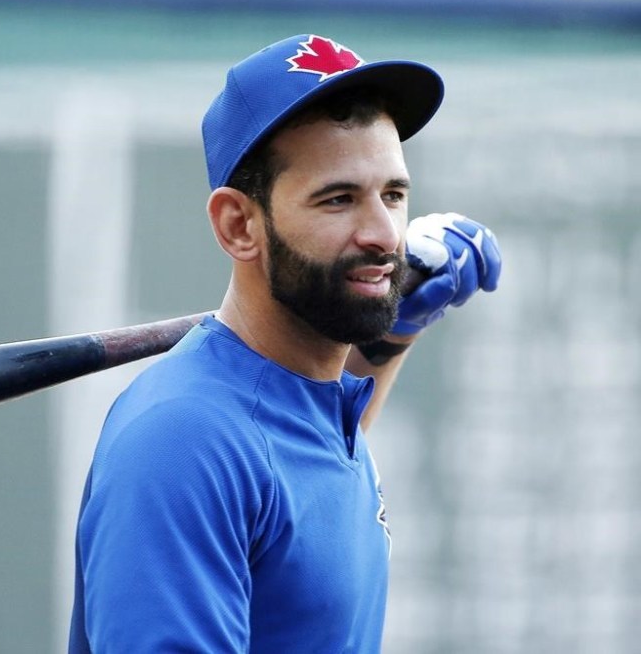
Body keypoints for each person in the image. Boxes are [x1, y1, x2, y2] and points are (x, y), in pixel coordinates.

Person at [69, 33, 502, 653]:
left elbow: (303, 478)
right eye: (338, 200)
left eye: (394, 195)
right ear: (239, 225)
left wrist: (393, 333)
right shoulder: (184, 442)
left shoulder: (307, 403)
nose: (384, 234)